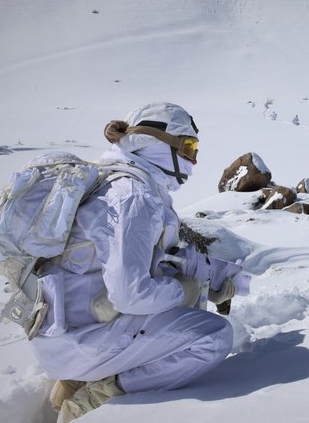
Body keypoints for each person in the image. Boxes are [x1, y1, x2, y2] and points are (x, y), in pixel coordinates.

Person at [31, 102, 243, 422]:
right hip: (82, 340)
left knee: (179, 303)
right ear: (154, 143)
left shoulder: (117, 182)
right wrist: (185, 289)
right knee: (213, 336)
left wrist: (211, 275)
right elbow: (131, 294)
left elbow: (153, 259)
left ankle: (76, 381)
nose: (194, 159)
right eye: (188, 147)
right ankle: (95, 397)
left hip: (67, 331)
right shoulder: (133, 195)